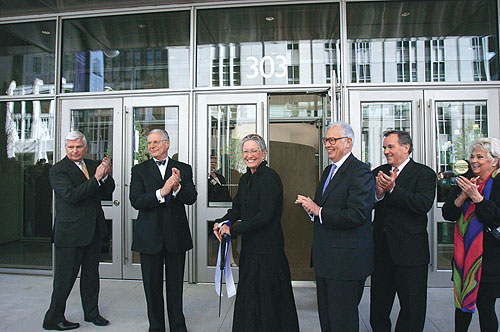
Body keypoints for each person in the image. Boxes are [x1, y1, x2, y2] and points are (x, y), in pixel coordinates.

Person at [214, 134, 299, 332]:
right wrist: (222, 222)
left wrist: (232, 230)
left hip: (269, 252)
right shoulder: (245, 179)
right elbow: (237, 209)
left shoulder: (270, 178)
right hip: (250, 250)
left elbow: (264, 217)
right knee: (249, 299)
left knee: (269, 303)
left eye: (254, 150)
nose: (249, 155)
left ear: (264, 153)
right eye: (246, 151)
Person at [295, 121, 375, 332]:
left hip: (346, 263)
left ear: (348, 142)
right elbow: (325, 210)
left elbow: (357, 214)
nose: (328, 145)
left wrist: (319, 211)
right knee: (328, 320)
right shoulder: (328, 171)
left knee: (343, 321)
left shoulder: (361, 172)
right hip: (326, 260)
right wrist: (312, 211)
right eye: (326, 140)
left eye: (333, 140)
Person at [43, 131, 115, 331]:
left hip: (93, 231)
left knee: (91, 277)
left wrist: (106, 174)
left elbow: (108, 190)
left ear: (86, 147)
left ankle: (92, 313)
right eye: (70, 147)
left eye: (78, 147)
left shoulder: (93, 165)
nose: (74, 150)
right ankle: (53, 318)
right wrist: (96, 178)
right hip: (70, 234)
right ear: (65, 148)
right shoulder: (58, 170)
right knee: (64, 279)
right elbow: (72, 196)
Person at [129, 129, 197, 332]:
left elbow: (191, 198)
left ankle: (178, 326)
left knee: (175, 286)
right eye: (149, 143)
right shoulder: (139, 170)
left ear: (168, 144)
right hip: (149, 237)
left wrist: (176, 188)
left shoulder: (183, 169)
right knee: (152, 287)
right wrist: (162, 192)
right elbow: (136, 201)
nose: (152, 146)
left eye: (156, 142)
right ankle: (156, 327)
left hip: (176, 236)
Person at [370, 130, 436, 332]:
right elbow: (367, 204)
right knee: (379, 306)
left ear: (406, 148)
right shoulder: (379, 172)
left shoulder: (424, 174)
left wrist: (393, 190)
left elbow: (422, 205)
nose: (386, 151)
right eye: (384, 147)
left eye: (390, 146)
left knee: (412, 308)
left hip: (410, 253)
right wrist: (378, 194)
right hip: (382, 251)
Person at [442, 137, 500, 332]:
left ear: (494, 160)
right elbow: (448, 213)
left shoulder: (498, 182)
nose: (474, 160)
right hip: (464, 259)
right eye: (472, 156)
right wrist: (463, 196)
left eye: (480, 157)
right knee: (461, 306)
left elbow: (494, 217)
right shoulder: (466, 180)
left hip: (490, 259)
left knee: (485, 305)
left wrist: (477, 197)